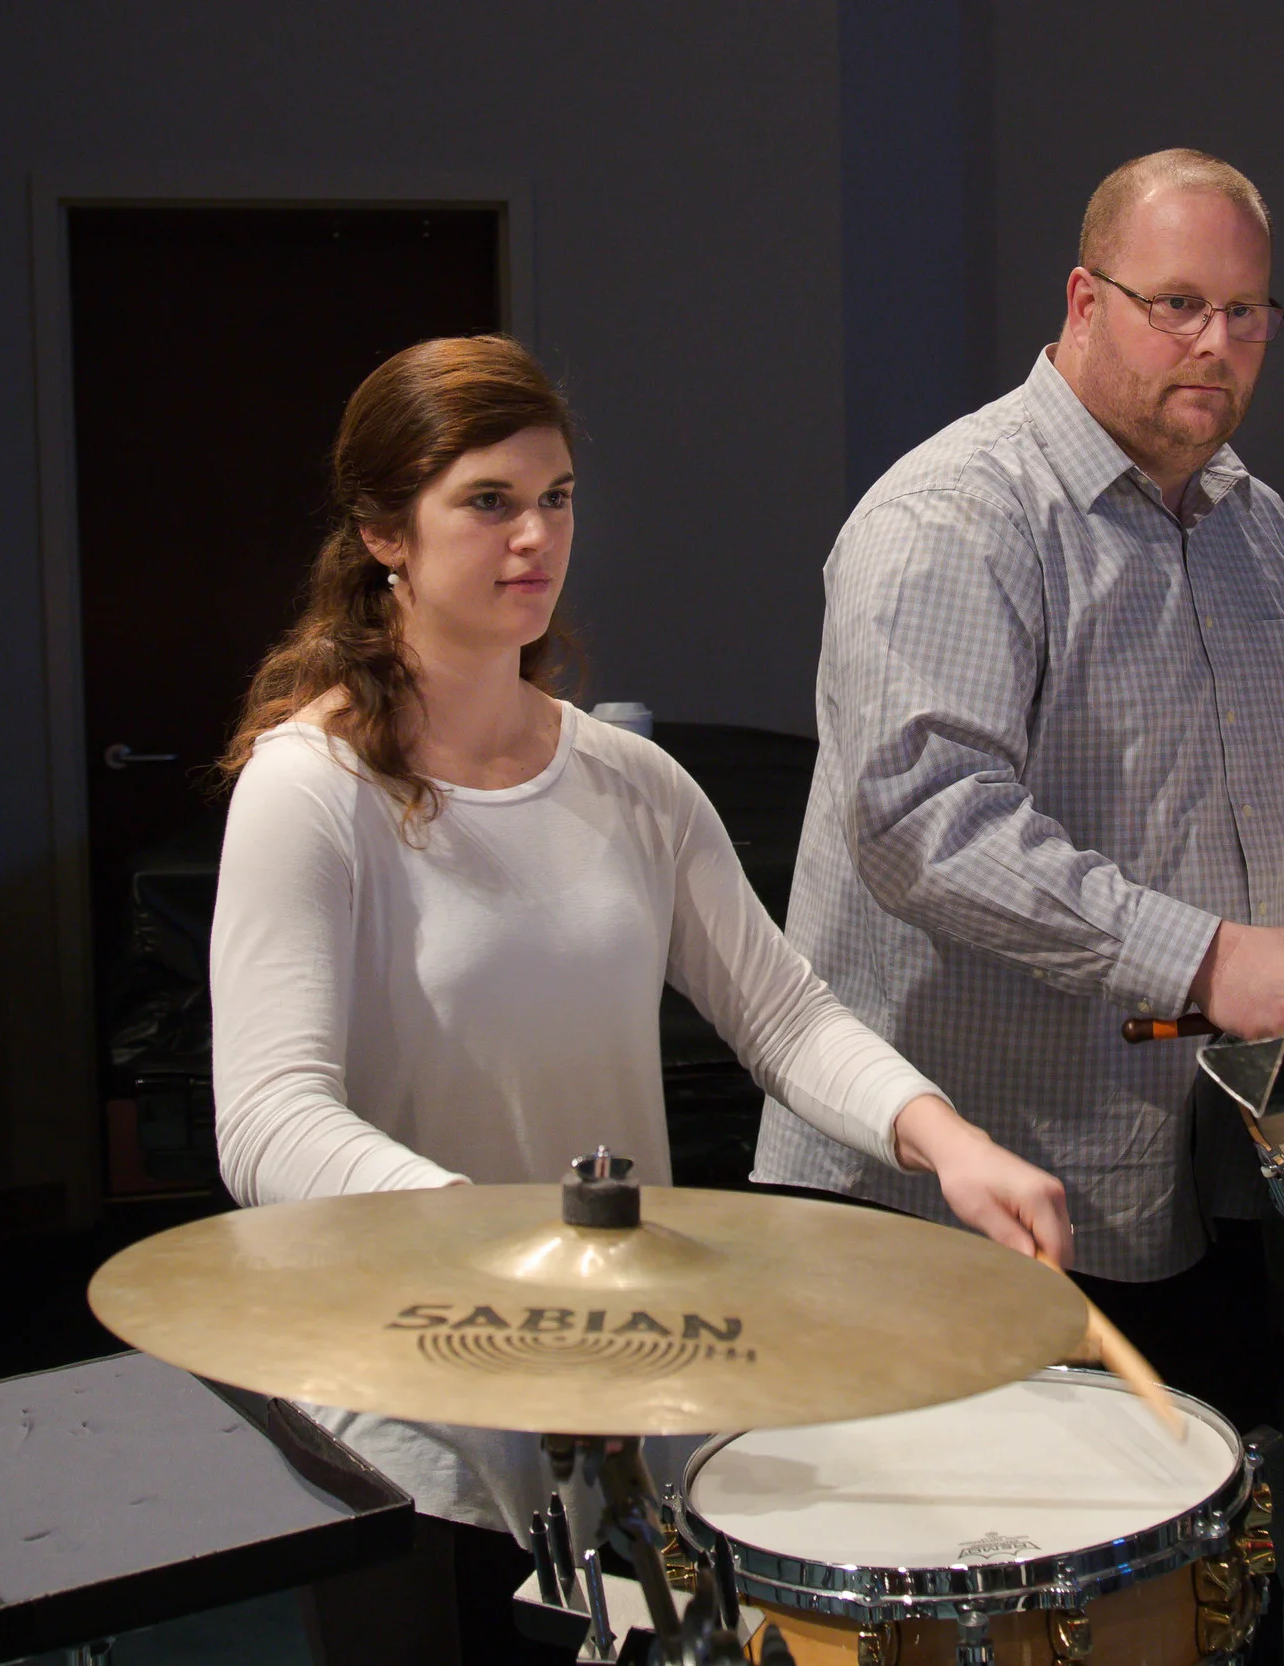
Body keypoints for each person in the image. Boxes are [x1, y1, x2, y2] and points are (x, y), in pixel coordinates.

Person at [208, 335, 1073, 1666]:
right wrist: (486, 1235)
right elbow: (266, 1119)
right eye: (486, 501)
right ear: (385, 529)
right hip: (416, 1415)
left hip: (619, 1381)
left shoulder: (628, 781)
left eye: (554, 497)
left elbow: (784, 1012)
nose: (534, 536)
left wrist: (943, 1137)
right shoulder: (310, 789)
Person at [752, 151, 1284, 1428]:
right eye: (1179, 305)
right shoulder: (952, 515)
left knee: (1202, 1602)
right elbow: (924, 825)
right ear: (1085, 303)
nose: (1218, 343)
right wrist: (1203, 959)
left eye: (1247, 313)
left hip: (1164, 1179)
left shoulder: (1252, 526)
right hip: (935, 1201)